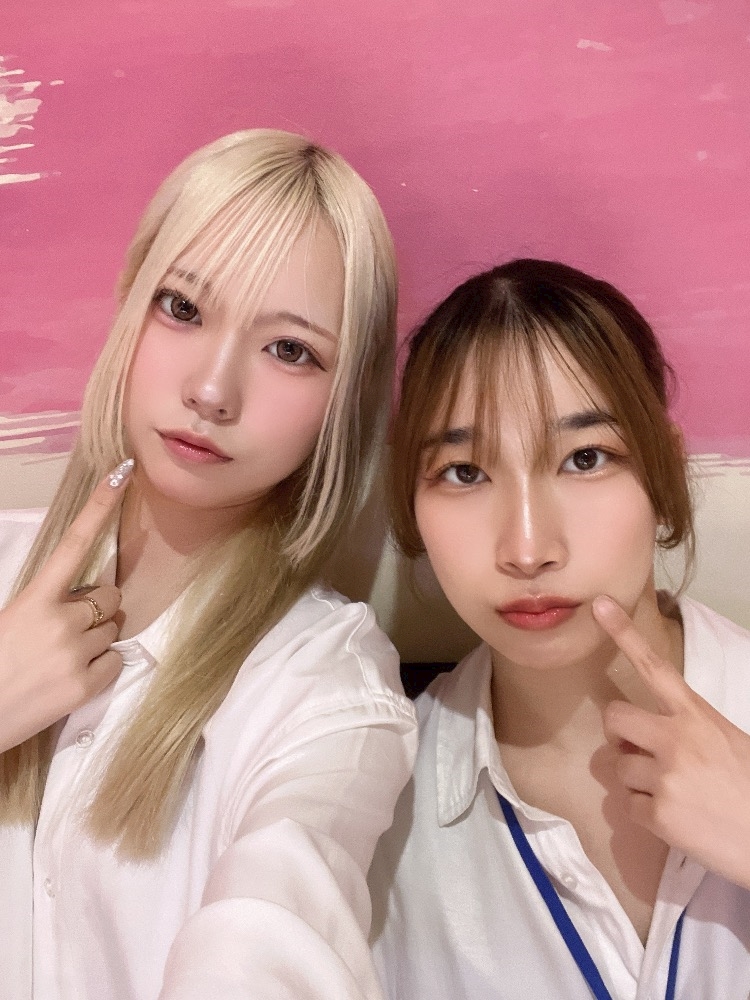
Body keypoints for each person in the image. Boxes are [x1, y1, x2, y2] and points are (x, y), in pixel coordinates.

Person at [0, 128, 417, 999]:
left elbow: (276, 932)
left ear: (343, 400)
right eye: (183, 308)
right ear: (130, 302)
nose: (213, 389)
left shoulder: (324, 688)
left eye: (290, 350)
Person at [369, 258, 750, 1000]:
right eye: (464, 473)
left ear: (665, 475)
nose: (527, 548)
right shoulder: (381, 803)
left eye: (585, 458)